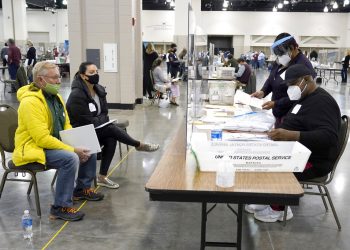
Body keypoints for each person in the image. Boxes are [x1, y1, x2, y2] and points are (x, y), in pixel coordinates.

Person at [247, 64, 341, 223]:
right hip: (297, 151)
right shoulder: (304, 97)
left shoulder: (322, 102)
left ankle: (279, 209)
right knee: (260, 155)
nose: (291, 89)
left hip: (313, 161)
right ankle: (267, 196)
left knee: (276, 164)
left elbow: (329, 137)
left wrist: (292, 135)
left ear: (306, 80)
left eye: (293, 84)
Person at [12, 61, 104, 221]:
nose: (59, 81)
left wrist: (75, 143)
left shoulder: (56, 98)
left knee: (89, 147)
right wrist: (72, 149)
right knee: (70, 158)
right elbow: (42, 139)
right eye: (54, 78)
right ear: (41, 80)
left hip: (51, 143)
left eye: (59, 77)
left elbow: (65, 123)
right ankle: (59, 207)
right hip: (34, 148)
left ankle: (81, 189)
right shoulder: (30, 103)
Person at [66, 62, 160, 189]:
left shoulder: (99, 89)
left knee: (111, 137)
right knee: (110, 129)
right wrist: (101, 120)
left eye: (96, 72)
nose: (95, 75)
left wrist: (99, 120)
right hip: (82, 133)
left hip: (96, 129)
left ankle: (102, 177)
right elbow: (85, 121)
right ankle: (138, 145)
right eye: (91, 73)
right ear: (83, 76)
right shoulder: (77, 95)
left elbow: (105, 113)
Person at [251, 33, 316, 127]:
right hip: (278, 113)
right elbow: (272, 78)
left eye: (282, 53)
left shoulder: (303, 65)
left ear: (293, 47)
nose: (279, 57)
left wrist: (276, 103)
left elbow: (300, 94)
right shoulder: (280, 61)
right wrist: (263, 91)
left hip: (291, 116)